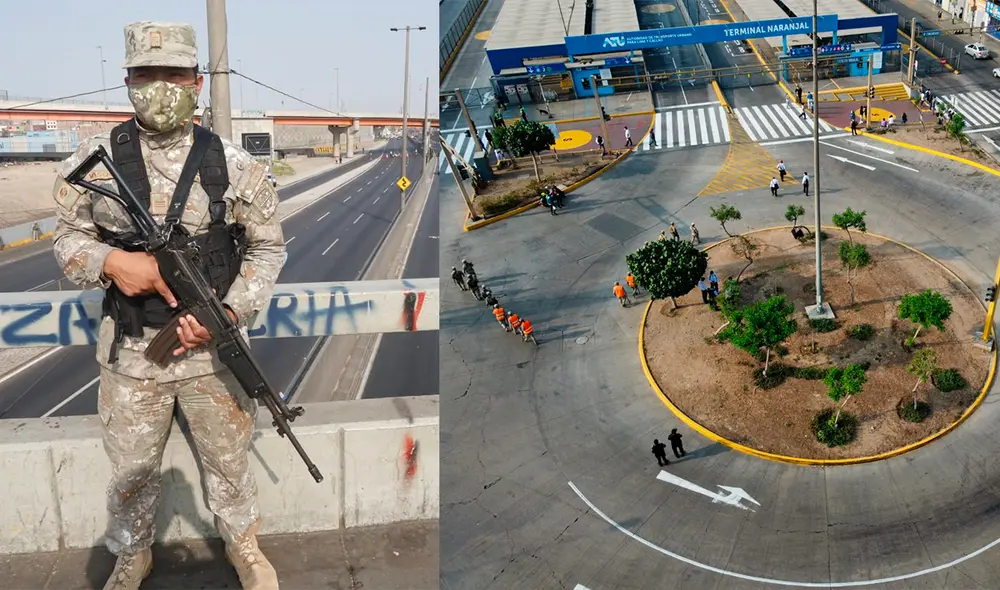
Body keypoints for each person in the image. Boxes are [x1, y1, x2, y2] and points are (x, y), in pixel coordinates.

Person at [51, 21, 285, 590]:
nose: (162, 87)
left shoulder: (233, 163)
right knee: (132, 474)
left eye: (175, 75)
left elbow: (267, 246)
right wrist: (112, 264)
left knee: (229, 464)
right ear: (127, 81)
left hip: (213, 356)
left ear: (198, 82)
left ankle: (244, 547)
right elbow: (64, 239)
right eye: (148, 75)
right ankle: (133, 555)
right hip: (133, 355)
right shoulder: (95, 158)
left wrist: (228, 315)